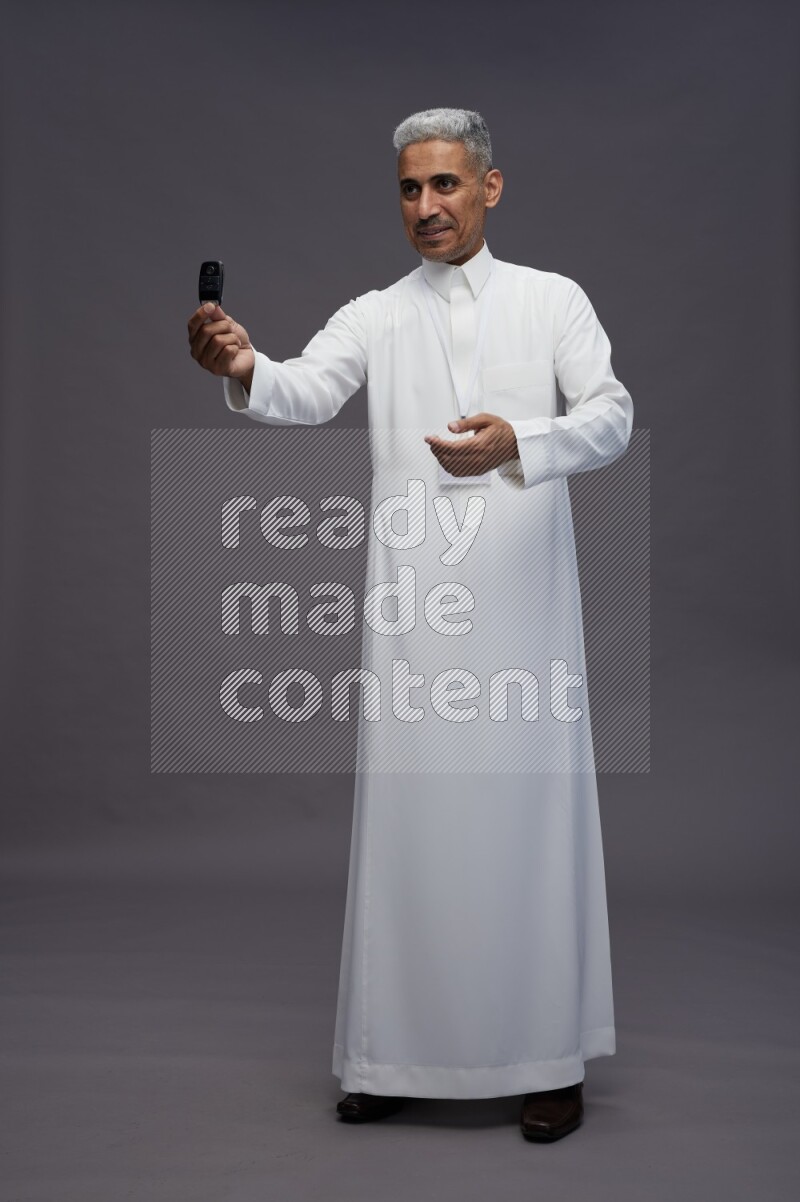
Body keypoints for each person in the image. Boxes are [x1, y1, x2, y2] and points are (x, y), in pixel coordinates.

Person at [187, 107, 633, 1142]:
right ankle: (390, 1054)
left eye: (442, 185)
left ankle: (545, 1057)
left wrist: (516, 440)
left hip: (523, 616)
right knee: (411, 831)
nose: (424, 207)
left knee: (525, 829)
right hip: (413, 620)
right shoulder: (377, 314)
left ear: (489, 187)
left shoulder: (548, 300)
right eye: (407, 189)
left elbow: (607, 414)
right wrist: (241, 364)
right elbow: (302, 389)